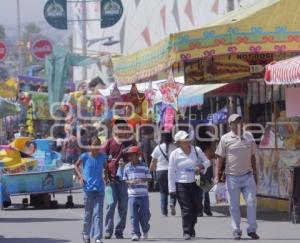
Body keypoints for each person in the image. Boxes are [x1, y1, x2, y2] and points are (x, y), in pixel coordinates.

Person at [215, 114, 259, 240]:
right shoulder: (225, 139)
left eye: (240, 121)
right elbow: (220, 158)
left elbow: (252, 156)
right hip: (232, 177)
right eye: (235, 122)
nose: (238, 123)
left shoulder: (249, 136)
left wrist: (255, 172)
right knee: (234, 205)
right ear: (230, 125)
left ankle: (251, 229)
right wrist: (217, 175)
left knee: (251, 202)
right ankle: (236, 230)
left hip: (248, 175)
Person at [168, 130, 211, 240]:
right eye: (184, 140)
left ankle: (191, 227)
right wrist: (171, 189)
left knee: (196, 208)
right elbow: (171, 172)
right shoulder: (174, 154)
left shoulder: (197, 150)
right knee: (186, 209)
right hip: (181, 184)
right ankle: (186, 231)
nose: (187, 141)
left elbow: (208, 162)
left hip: (196, 182)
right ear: (178, 142)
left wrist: (201, 166)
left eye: (188, 138)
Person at [102, 119, 136, 239]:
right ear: (114, 129)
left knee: (123, 206)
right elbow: (102, 160)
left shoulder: (130, 143)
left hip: (125, 181)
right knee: (110, 206)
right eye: (117, 127)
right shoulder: (108, 143)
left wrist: (126, 163)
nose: (120, 129)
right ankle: (108, 229)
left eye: (122, 127)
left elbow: (136, 159)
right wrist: (104, 176)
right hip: (110, 180)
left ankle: (119, 230)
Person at [74, 137, 107, 243]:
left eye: (98, 144)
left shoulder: (103, 156)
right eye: (94, 144)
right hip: (88, 189)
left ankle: (98, 237)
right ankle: (86, 234)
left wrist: (106, 177)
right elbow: (75, 166)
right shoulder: (85, 156)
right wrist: (80, 177)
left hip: (100, 189)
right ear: (89, 146)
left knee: (98, 214)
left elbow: (106, 168)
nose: (97, 146)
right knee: (88, 213)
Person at [123, 146, 152, 241]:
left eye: (132, 155)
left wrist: (141, 180)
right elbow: (125, 180)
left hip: (143, 195)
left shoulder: (144, 165)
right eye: (129, 156)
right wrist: (129, 182)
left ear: (137, 155)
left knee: (145, 215)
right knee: (133, 216)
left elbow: (149, 178)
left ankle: (145, 229)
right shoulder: (126, 167)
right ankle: (135, 233)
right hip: (132, 195)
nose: (130, 157)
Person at [150, 132, 177, 217]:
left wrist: (152, 171)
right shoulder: (175, 148)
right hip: (172, 171)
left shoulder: (157, 148)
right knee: (173, 189)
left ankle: (164, 212)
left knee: (163, 192)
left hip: (160, 171)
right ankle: (172, 202)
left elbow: (153, 162)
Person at [196, 127, 218, 217]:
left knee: (199, 189)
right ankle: (207, 209)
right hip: (207, 165)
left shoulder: (196, 142)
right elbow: (214, 152)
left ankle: (199, 210)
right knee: (207, 188)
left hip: (197, 167)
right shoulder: (210, 141)